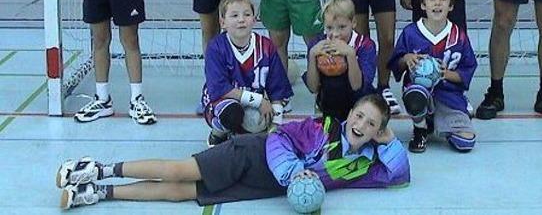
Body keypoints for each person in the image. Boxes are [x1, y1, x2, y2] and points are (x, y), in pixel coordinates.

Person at [55, 94, 410, 210]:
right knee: (180, 171)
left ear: (377, 131)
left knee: (184, 194)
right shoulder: (324, 128)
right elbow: (279, 137)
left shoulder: (362, 165)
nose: (361, 124)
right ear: (350, 114)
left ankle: (98, 193)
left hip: (261, 187)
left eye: (371, 123)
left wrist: (390, 140)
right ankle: (99, 168)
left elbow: (399, 175)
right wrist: (292, 174)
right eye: (359, 115)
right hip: (251, 154)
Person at [389, 0, 477, 153]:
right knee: (415, 93)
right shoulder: (410, 33)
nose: (437, 3)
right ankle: (420, 129)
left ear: (451, 6)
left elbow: (467, 69)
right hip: (419, 91)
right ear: (423, 5)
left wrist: (444, 74)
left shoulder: (458, 36)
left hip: (448, 95)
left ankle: (438, 121)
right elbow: (395, 64)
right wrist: (406, 58)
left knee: (465, 142)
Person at [201, 0, 293, 146]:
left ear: (254, 19)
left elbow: (277, 88)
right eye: (234, 15)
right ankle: (217, 134)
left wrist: (276, 124)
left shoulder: (266, 46)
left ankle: (241, 132)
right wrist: (258, 101)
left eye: (247, 14)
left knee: (257, 122)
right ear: (222, 22)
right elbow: (220, 89)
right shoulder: (216, 48)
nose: (241, 20)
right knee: (232, 114)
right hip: (221, 100)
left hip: (252, 100)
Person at [304, 0, 377, 121]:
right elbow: (313, 87)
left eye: (342, 27)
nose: (335, 34)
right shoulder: (317, 44)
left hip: (359, 101)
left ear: (353, 22)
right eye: (329, 28)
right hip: (329, 101)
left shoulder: (365, 45)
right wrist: (312, 55)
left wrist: (350, 55)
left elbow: (357, 86)